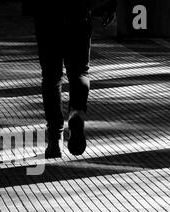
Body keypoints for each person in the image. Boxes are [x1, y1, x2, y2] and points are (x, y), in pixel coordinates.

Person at [23, 0, 117, 158]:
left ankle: (54, 139)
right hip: (79, 12)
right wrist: (110, 6)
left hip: (47, 14)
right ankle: (76, 116)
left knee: (51, 77)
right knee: (79, 72)